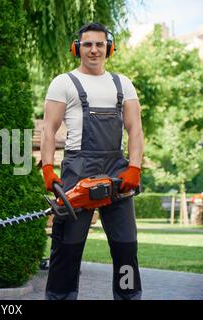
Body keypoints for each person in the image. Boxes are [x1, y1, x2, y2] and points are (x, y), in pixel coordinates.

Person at [41, 22, 144, 300]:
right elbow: (49, 129)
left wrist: (134, 167)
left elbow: (135, 129)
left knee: (126, 248)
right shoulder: (63, 82)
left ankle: (128, 296)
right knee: (67, 248)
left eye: (100, 44)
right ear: (77, 49)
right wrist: (48, 168)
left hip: (117, 175)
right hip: (77, 172)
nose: (94, 50)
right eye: (87, 44)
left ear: (108, 48)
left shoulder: (123, 84)